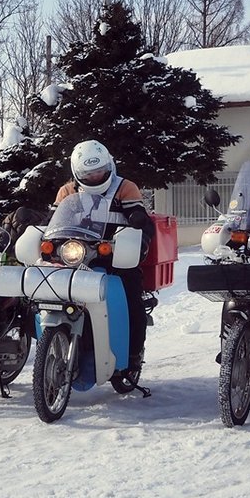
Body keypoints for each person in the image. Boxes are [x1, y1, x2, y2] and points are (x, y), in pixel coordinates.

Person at [53, 139, 155, 382]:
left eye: (100, 171)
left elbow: (138, 217)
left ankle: (131, 358)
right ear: (77, 173)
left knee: (132, 302)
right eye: (88, 174)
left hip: (116, 257)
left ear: (109, 166)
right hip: (76, 256)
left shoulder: (125, 187)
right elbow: (53, 222)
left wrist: (140, 229)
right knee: (49, 295)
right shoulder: (67, 191)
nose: (96, 177)